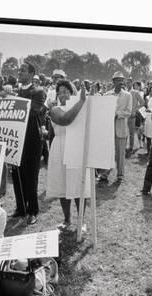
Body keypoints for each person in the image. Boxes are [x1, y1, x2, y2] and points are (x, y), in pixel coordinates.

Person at [47, 80, 89, 229]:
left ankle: (81, 221)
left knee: (78, 184)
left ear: (72, 93)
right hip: (60, 148)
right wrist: (82, 101)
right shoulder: (54, 109)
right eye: (60, 92)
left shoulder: (81, 108)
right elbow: (65, 119)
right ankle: (67, 219)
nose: (63, 94)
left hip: (76, 147)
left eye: (66, 91)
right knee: (63, 184)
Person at [12, 63, 44, 225]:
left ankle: (32, 210)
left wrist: (13, 99)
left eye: (23, 71)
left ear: (32, 74)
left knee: (31, 176)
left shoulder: (38, 92)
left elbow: (33, 111)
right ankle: (20, 207)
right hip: (16, 139)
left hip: (32, 139)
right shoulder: (16, 92)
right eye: (19, 70)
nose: (20, 73)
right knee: (17, 174)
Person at [99, 71, 132, 182]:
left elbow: (129, 112)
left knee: (120, 153)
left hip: (121, 128)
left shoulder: (128, 95)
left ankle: (120, 174)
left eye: (122, 80)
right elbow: (102, 110)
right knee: (108, 152)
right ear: (113, 82)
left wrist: (117, 114)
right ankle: (105, 173)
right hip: (108, 128)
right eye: (118, 80)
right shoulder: (107, 95)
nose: (121, 82)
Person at [127, 80, 145, 157]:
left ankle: (131, 148)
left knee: (131, 133)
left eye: (129, 82)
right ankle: (125, 147)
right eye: (127, 82)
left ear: (132, 84)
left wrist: (135, 109)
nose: (128, 84)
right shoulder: (123, 91)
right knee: (124, 132)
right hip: (124, 116)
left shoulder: (135, 92)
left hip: (131, 115)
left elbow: (142, 102)